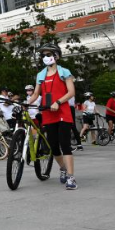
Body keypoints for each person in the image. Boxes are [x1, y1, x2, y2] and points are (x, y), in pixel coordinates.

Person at [28, 43, 78, 190]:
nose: (45, 57)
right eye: (43, 55)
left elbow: (71, 92)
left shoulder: (64, 72)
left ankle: (71, 177)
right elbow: (36, 94)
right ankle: (62, 168)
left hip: (62, 112)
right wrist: (25, 103)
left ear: (56, 56)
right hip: (48, 113)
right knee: (54, 147)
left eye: (48, 54)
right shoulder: (40, 75)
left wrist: (58, 101)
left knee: (65, 145)